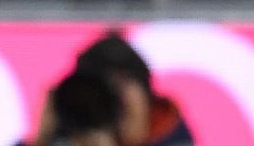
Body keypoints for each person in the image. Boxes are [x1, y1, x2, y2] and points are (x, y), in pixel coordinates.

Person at [25, 31, 194, 146]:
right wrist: (42, 139)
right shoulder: (64, 138)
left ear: (147, 97)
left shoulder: (172, 135)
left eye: (122, 82)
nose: (112, 104)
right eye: (97, 101)